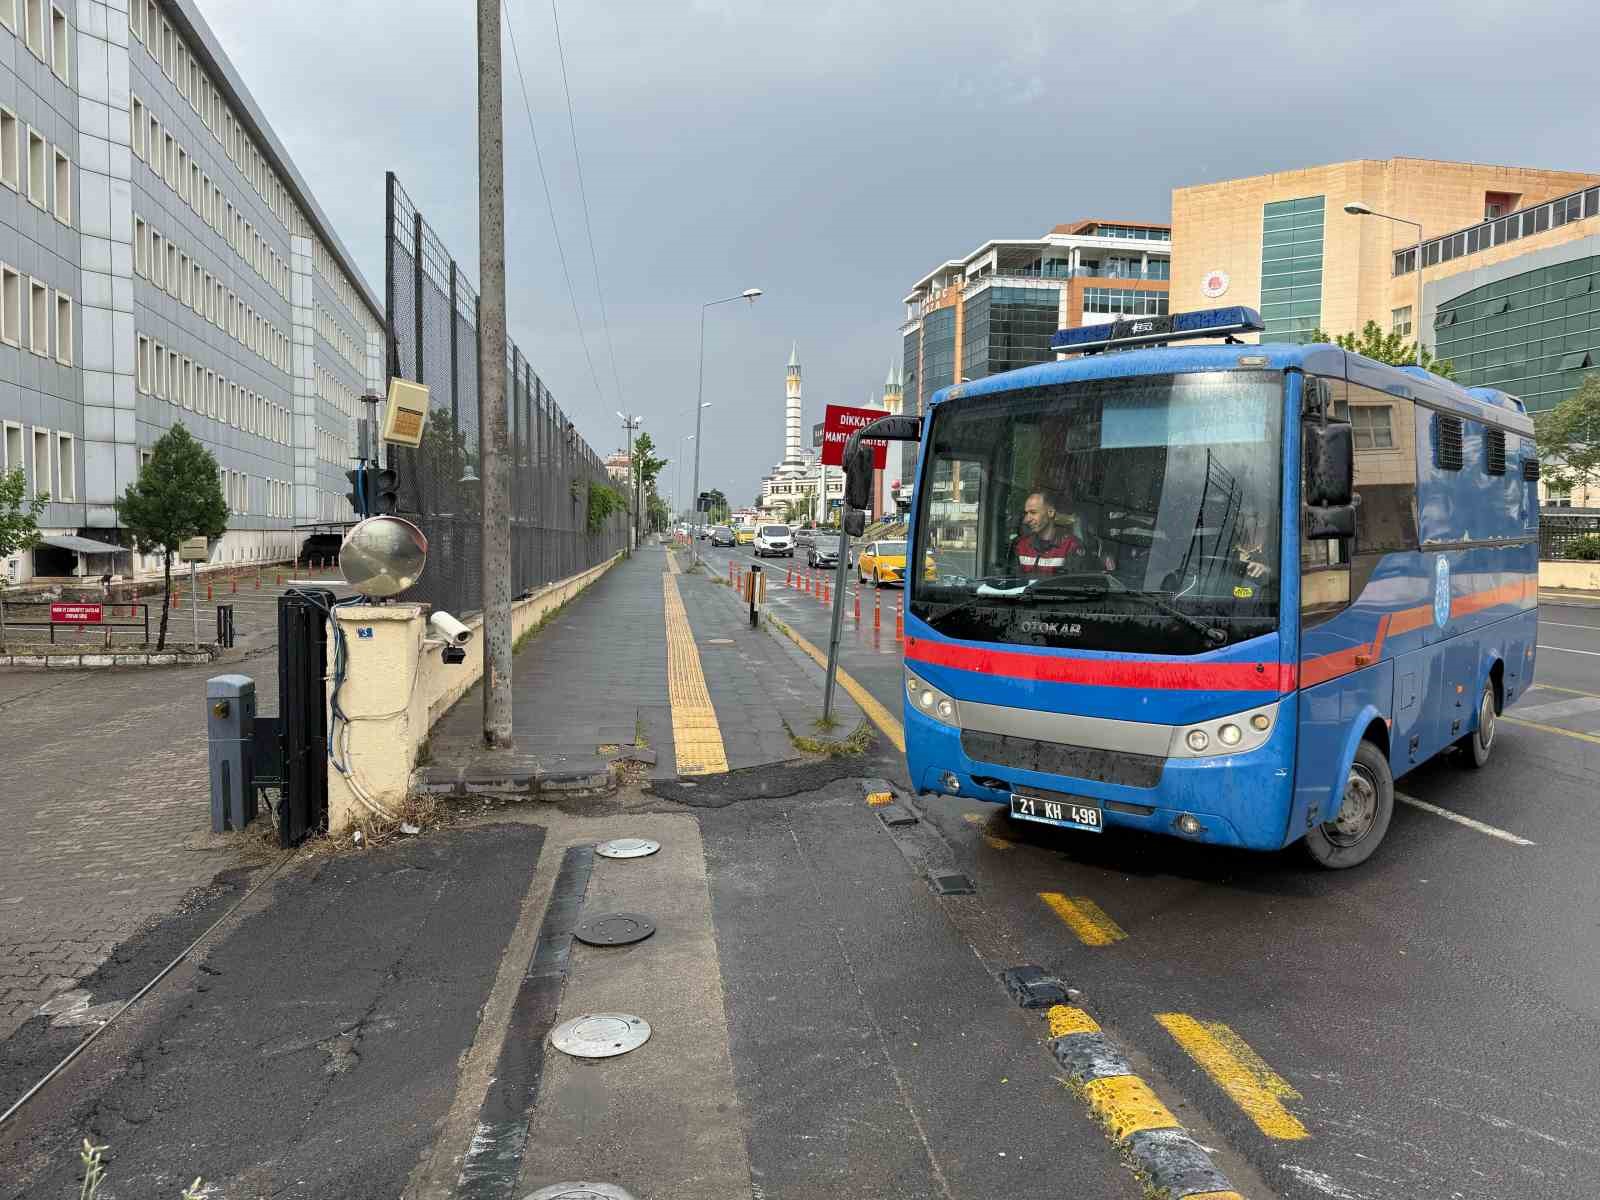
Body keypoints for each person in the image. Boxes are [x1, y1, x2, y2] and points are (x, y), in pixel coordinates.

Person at [1008, 490, 1097, 577]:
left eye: (1033, 512)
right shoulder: (1021, 545)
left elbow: (1072, 586)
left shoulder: (1071, 546)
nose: (1027, 519)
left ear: (1050, 512)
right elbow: (1012, 583)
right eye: (1026, 513)